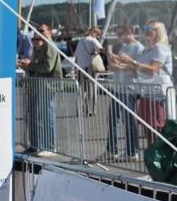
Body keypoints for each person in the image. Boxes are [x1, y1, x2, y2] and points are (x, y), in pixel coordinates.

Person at [115, 21, 174, 145]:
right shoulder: (147, 50)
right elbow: (137, 72)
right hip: (147, 94)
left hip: (159, 96)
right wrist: (120, 64)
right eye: (145, 28)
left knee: (158, 131)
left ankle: (160, 156)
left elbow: (153, 69)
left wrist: (132, 61)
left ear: (158, 31)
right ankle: (151, 155)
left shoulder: (161, 48)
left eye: (150, 29)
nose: (146, 31)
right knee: (148, 132)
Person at [23, 23, 62, 157]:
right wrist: (28, 65)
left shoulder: (49, 46)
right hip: (38, 85)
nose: (38, 33)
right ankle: (36, 145)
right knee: (35, 116)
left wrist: (31, 65)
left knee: (46, 116)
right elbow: (38, 66)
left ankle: (50, 146)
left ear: (49, 32)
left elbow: (47, 67)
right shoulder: (40, 48)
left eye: (41, 30)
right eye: (36, 32)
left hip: (47, 86)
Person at [105, 25, 143, 161]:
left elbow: (137, 69)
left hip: (129, 88)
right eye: (118, 34)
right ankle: (111, 150)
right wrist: (111, 58)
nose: (118, 37)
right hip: (118, 87)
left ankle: (132, 152)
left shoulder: (138, 48)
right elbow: (116, 65)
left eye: (120, 34)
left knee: (129, 120)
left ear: (129, 32)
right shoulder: (123, 47)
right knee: (112, 119)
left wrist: (119, 66)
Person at [73, 27, 103, 115]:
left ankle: (80, 109)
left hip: (80, 69)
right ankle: (91, 110)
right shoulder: (93, 40)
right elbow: (101, 49)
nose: (98, 37)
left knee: (82, 91)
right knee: (92, 90)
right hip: (89, 69)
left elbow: (76, 56)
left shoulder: (80, 41)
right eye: (98, 34)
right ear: (94, 33)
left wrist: (75, 69)